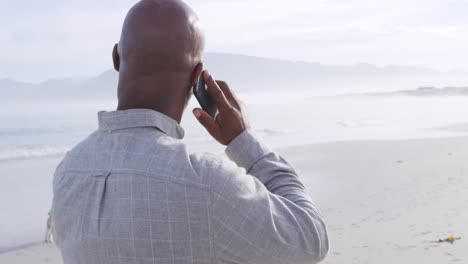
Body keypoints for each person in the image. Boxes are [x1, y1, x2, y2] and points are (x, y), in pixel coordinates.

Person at [50, 0, 329, 263]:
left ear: (116, 58)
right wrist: (244, 141)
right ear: (197, 78)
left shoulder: (68, 172)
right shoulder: (206, 183)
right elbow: (311, 239)